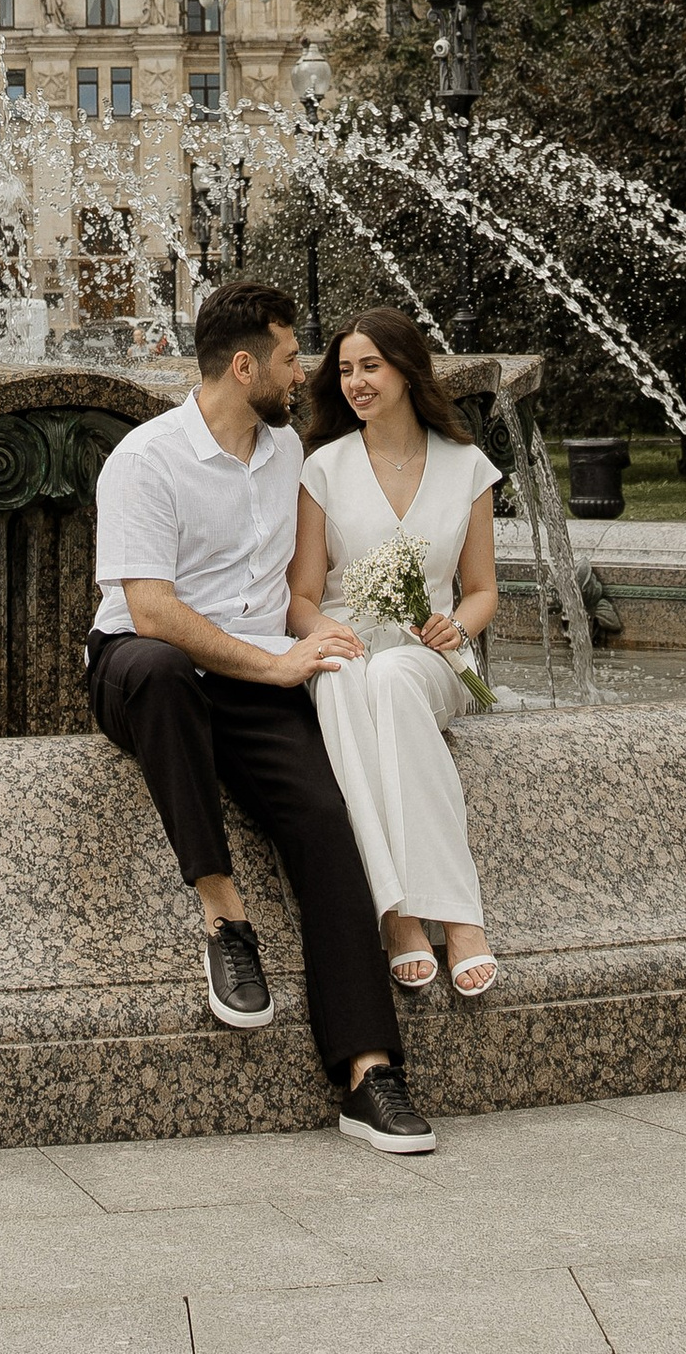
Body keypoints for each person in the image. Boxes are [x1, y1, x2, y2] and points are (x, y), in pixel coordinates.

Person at [87, 272, 437, 1153]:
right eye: (290, 358)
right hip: (140, 666)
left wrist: (329, 640)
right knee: (164, 668)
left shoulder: (289, 456)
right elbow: (154, 609)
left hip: (253, 676)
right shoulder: (146, 459)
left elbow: (295, 586)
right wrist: (275, 664)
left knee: (327, 823)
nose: (302, 375)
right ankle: (226, 919)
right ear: (243, 367)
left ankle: (368, 1074)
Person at [290, 308, 500, 1000]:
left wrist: (457, 631)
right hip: (347, 642)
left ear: (408, 370)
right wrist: (322, 633)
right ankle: (399, 913)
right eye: (345, 369)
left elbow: (481, 592)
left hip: (431, 654)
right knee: (353, 678)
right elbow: (302, 596)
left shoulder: (468, 468)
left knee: (397, 674)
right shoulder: (322, 468)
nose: (355, 381)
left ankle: (457, 914)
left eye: (370, 366)